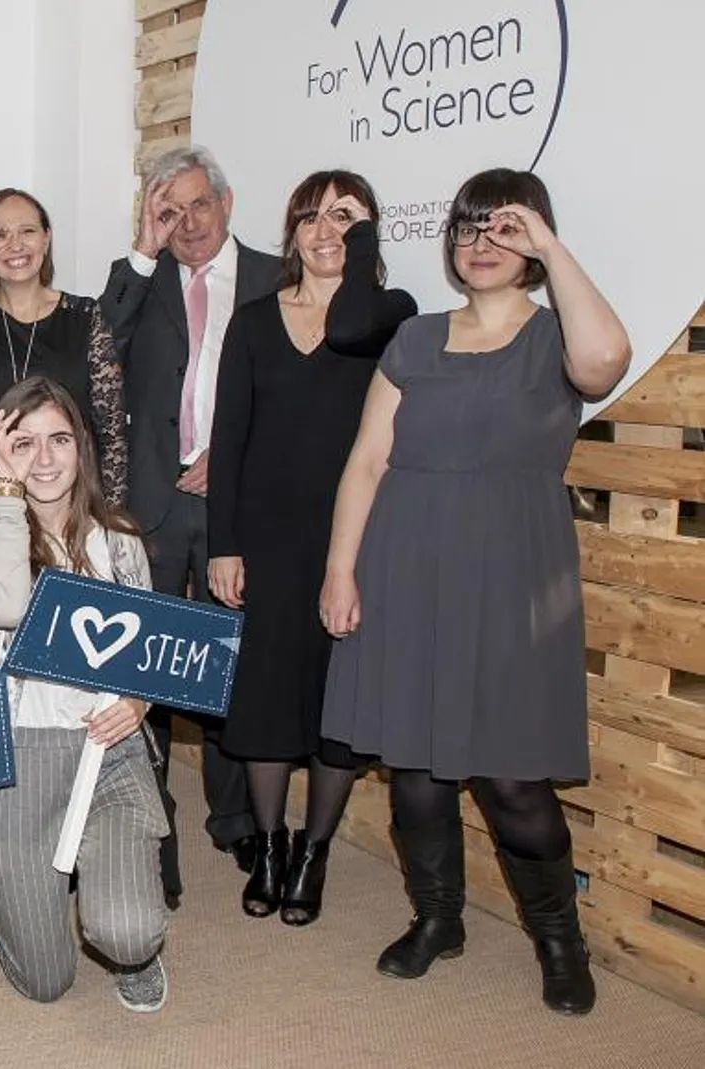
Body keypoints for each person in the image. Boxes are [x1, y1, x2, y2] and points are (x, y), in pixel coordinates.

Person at [321, 169, 628, 1016]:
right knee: (414, 769)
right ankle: (439, 919)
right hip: (406, 568)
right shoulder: (415, 338)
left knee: (516, 782)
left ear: (534, 239)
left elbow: (605, 365)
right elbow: (367, 461)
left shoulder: (558, 337)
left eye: (503, 229)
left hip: (513, 581)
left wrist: (551, 249)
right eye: (467, 228)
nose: (479, 243)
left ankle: (560, 939)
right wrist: (341, 567)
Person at [205, 171, 416, 925]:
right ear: (289, 232)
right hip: (264, 539)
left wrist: (355, 254)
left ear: (370, 234)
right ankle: (267, 842)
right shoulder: (255, 321)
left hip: (354, 541)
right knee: (261, 702)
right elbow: (228, 439)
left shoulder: (391, 314)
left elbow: (350, 327)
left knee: (337, 701)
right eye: (312, 218)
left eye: (347, 218)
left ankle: (315, 848)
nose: (327, 230)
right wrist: (222, 543)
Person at [99, 144, 278, 908]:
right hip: (151, 501)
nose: (188, 223)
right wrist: (143, 248)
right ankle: (151, 808)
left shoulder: (276, 278)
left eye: (199, 205)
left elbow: (300, 393)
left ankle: (236, 814)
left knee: (229, 661)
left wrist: (237, 457)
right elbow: (97, 349)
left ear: (228, 205)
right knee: (146, 662)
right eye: (170, 211)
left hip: (237, 501)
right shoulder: (141, 281)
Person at [0, 376, 169, 1013]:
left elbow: (149, 655)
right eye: (22, 443)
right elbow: (10, 605)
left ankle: (138, 952)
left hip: (107, 753)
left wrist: (140, 703)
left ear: (82, 447)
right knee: (47, 981)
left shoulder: (121, 539)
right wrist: (5, 493)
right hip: (13, 755)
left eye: (58, 440)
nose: (43, 459)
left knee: (127, 932)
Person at [0, 188, 126, 513]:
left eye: (28, 231)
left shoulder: (84, 316)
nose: (15, 245)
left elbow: (110, 429)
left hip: (65, 502)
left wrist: (111, 515)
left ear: (46, 239)